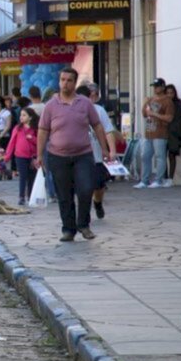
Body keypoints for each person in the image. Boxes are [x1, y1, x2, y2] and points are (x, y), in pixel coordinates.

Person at [36, 68, 111, 242]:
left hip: (83, 155)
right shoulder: (51, 106)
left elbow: (97, 125)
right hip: (58, 156)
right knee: (64, 194)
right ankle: (68, 229)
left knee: (86, 189)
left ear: (75, 82)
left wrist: (104, 148)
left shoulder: (85, 103)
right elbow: (42, 130)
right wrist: (39, 154)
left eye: (69, 80)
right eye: (62, 79)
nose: (65, 83)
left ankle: (83, 225)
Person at [76, 84, 120, 219]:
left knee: (99, 186)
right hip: (80, 155)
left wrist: (111, 151)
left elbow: (108, 131)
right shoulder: (73, 111)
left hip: (97, 155)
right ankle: (84, 212)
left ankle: (98, 202)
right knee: (83, 186)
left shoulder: (99, 110)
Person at [135, 78, 175, 189]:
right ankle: (144, 180)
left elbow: (169, 118)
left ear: (163, 87)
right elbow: (144, 114)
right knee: (145, 156)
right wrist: (144, 103)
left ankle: (159, 180)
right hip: (148, 132)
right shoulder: (151, 99)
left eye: (157, 86)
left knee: (160, 156)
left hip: (161, 133)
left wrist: (154, 114)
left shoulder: (167, 101)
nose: (155, 88)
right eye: (154, 86)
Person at [4, 107, 39, 206]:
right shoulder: (17, 128)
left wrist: (31, 138)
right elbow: (12, 142)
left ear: (30, 117)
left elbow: (40, 142)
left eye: (24, 115)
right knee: (23, 176)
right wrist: (7, 156)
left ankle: (31, 195)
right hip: (20, 156)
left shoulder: (35, 129)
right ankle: (21, 196)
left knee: (32, 177)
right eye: (21, 115)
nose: (21, 117)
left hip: (32, 156)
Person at [165, 84, 181, 187]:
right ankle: (164, 177)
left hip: (174, 133)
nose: (170, 95)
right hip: (163, 132)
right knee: (161, 155)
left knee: (171, 155)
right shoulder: (163, 103)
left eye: (172, 93)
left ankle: (170, 178)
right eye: (168, 93)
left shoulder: (178, 104)